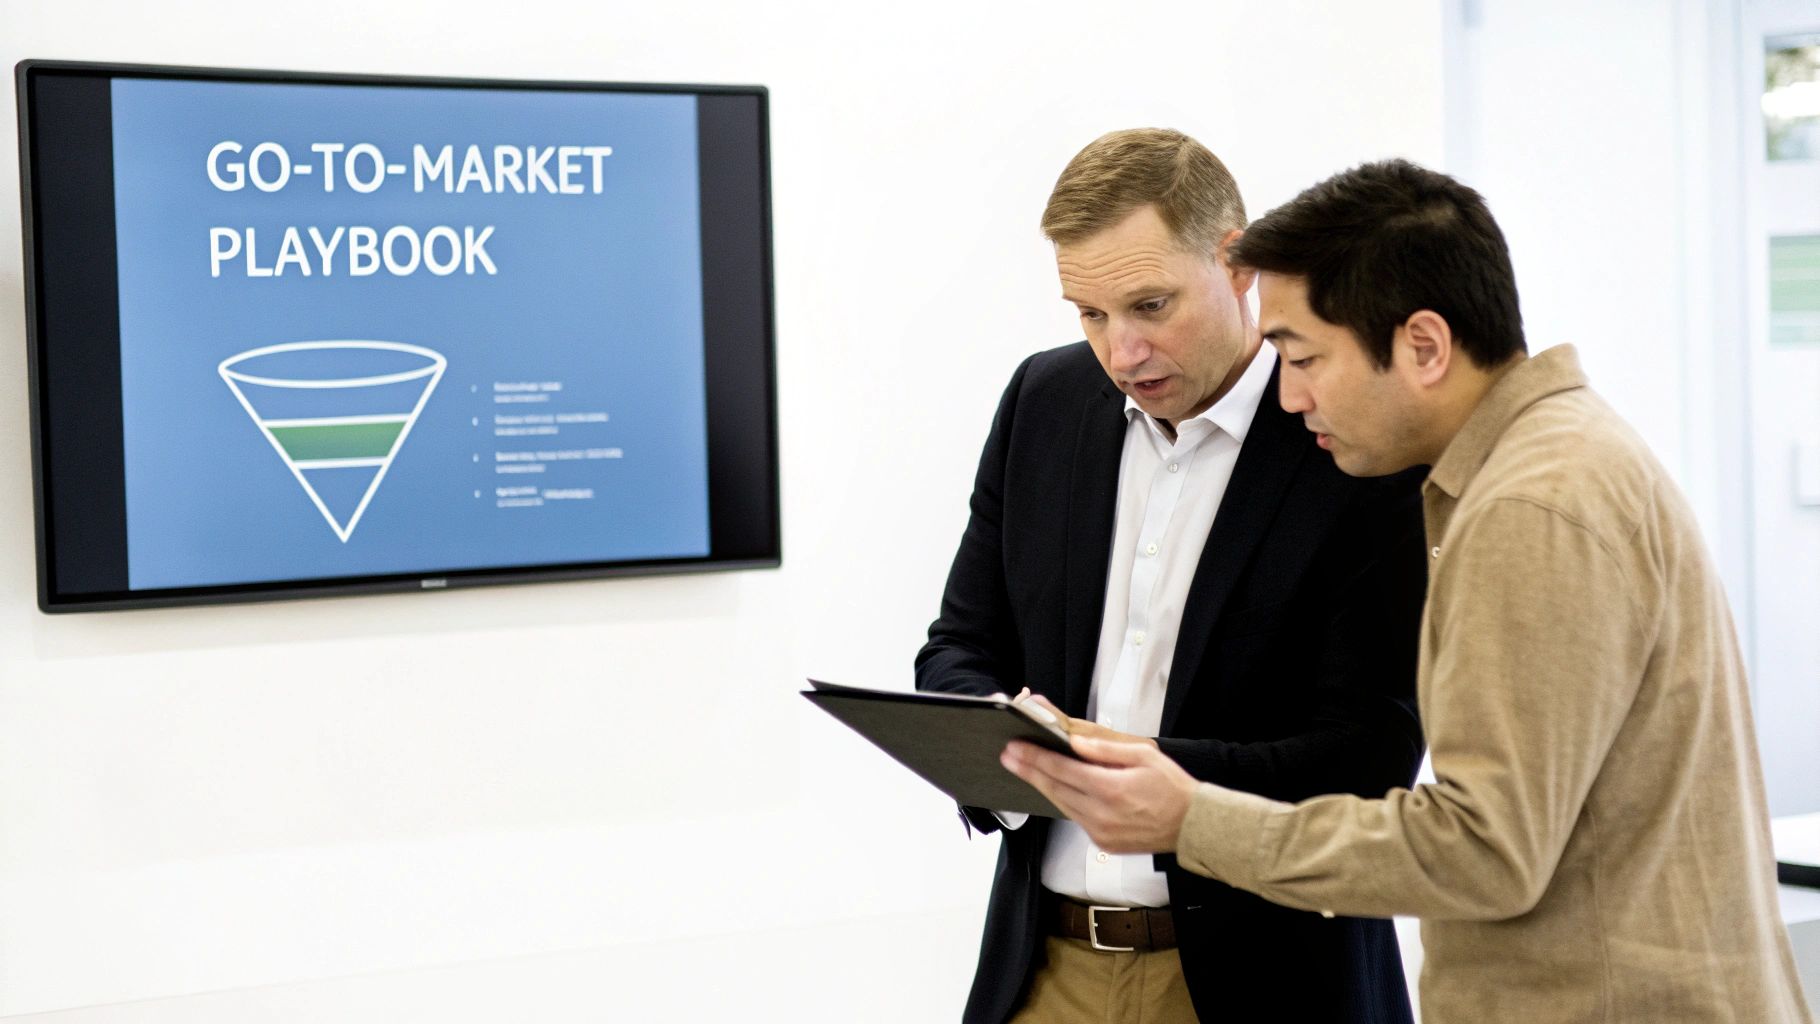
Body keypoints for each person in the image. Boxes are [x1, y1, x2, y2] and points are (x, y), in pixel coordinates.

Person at [1003, 158, 1815, 1022]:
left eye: (1303, 357)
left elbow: (1484, 850)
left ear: (1423, 346)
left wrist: (1189, 819)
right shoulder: (1557, 461)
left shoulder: (1532, 505)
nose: (1289, 395)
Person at [916, 129, 1428, 1024]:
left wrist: (1135, 773)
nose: (1123, 353)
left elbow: (1371, 752)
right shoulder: (1043, 403)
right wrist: (1015, 747)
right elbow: (958, 647)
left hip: (1267, 982)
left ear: (1237, 264)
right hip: (1041, 970)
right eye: (1090, 314)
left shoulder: (1353, 437)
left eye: (1150, 306)